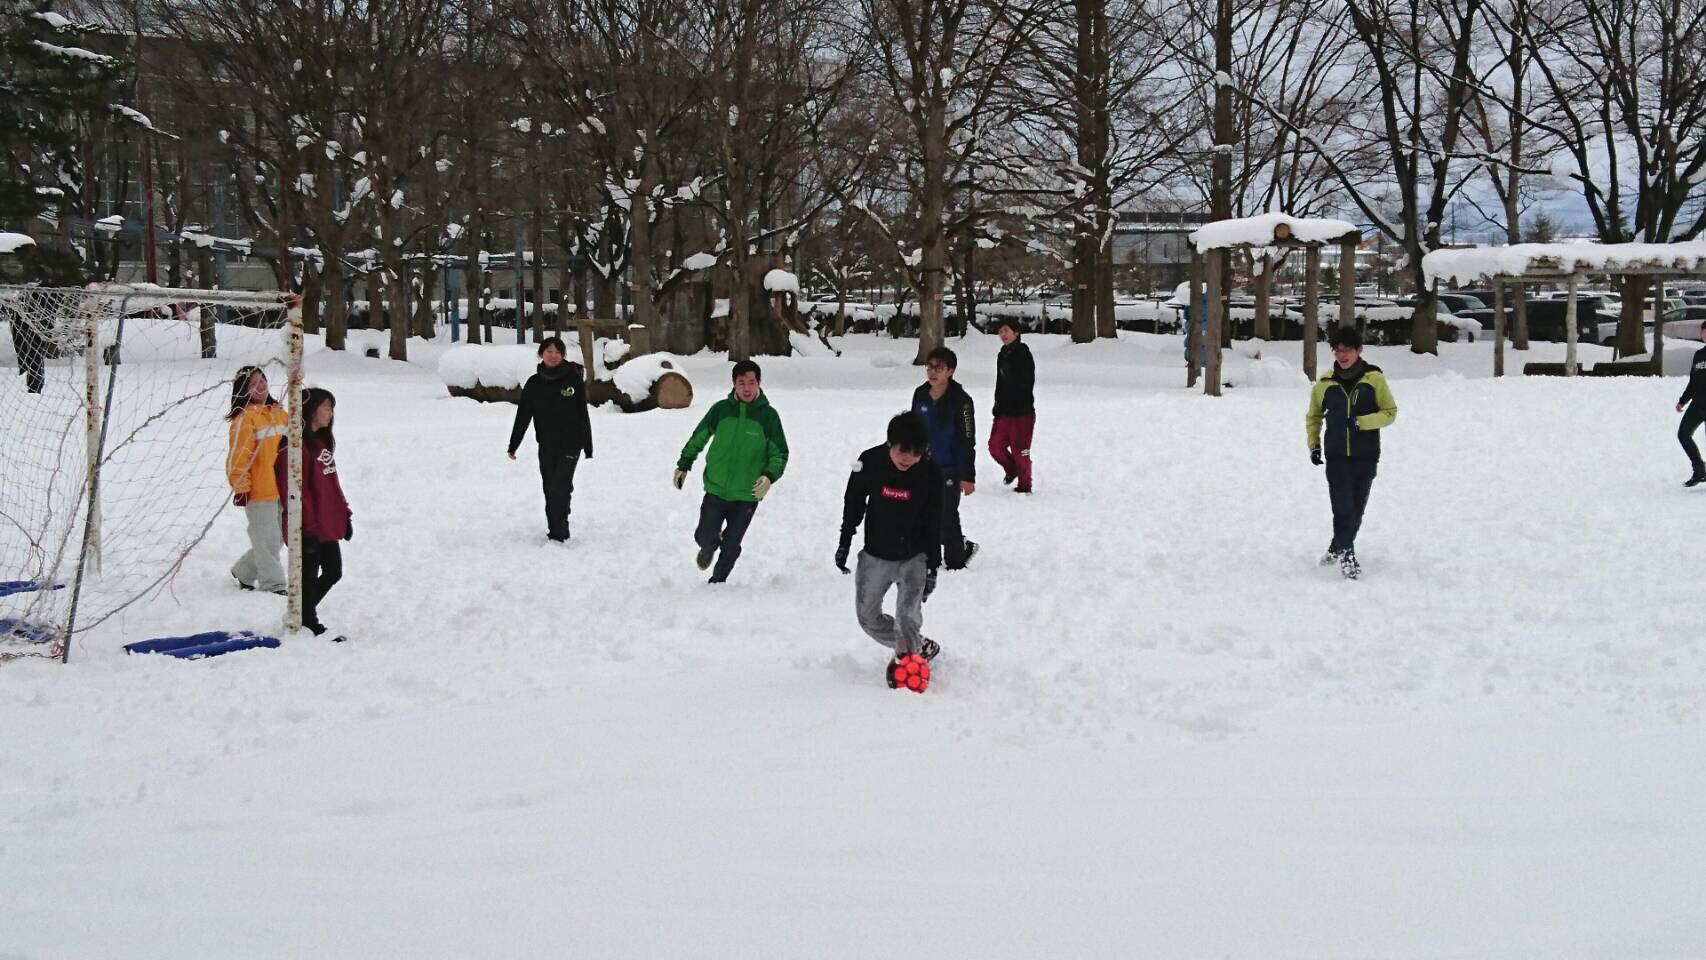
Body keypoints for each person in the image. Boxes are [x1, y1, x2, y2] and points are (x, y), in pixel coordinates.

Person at [837, 412, 943, 686]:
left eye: (915, 453)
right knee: (868, 619)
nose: (907, 458)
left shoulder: (930, 473)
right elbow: (853, 503)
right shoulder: (870, 463)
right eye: (901, 450)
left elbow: (934, 521)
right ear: (889, 443)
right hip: (875, 556)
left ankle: (905, 662)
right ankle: (918, 646)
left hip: (914, 558)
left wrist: (932, 566)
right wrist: (845, 541)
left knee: (907, 618)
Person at [673, 360, 790, 583]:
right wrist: (684, 464)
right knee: (704, 536)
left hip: (747, 495)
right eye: (741, 383)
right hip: (716, 489)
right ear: (734, 384)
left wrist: (769, 476)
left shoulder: (769, 417)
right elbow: (699, 437)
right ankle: (708, 548)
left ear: (759, 383)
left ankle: (718, 582)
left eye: (751, 383)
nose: (747, 388)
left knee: (732, 543)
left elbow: (780, 453)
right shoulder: (721, 410)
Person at [1306, 326, 1397, 579]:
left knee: (1356, 510)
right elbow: (1313, 416)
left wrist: (1360, 422)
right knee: (1342, 508)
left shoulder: (1374, 379)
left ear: (1359, 350)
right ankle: (1348, 557)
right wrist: (1314, 444)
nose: (1342, 356)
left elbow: (1390, 413)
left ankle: (1337, 545)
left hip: (1366, 455)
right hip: (1336, 455)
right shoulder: (1325, 383)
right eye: (1337, 351)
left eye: (1347, 350)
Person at [274, 387, 352, 641]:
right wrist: (305, 529)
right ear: (310, 409)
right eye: (326, 407)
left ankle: (301, 613)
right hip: (307, 526)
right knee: (307, 577)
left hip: (327, 523)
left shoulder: (323, 442)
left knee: (333, 571)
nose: (330, 413)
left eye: (332, 408)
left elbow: (332, 484)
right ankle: (307, 621)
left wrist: (345, 515)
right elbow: (295, 491)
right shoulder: (293, 447)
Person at [508, 337, 593, 542]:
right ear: (541, 355)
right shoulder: (534, 383)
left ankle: (559, 533)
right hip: (546, 444)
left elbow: (582, 412)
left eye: (557, 352)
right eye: (549, 352)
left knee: (560, 487)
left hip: (571, 443)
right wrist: (514, 444)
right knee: (550, 487)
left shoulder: (573, 380)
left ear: (563, 355)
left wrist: (588, 445)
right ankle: (556, 522)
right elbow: (523, 415)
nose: (553, 356)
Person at [910, 346, 978, 570]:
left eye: (938, 368)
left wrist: (967, 475)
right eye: (929, 367)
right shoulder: (920, 394)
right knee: (924, 513)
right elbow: (912, 430)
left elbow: (967, 439)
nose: (932, 372)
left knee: (947, 514)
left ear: (950, 371)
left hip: (950, 468)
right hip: (923, 466)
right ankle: (931, 557)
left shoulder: (961, 400)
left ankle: (957, 559)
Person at [225, 365, 288, 595]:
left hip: (283, 487)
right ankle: (274, 585)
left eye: (263, 381)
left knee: (278, 537)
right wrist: (241, 487)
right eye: (253, 384)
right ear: (243, 390)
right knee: (267, 539)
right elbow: (237, 457)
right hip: (259, 491)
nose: (260, 386)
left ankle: (244, 571)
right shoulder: (245, 419)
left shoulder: (279, 413)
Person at [988, 317, 1036, 493]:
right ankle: (1011, 469)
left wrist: (1018, 400)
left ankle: (1024, 486)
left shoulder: (1023, 354)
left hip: (1022, 413)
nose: (1003, 335)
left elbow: (1027, 382)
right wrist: (998, 404)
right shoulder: (1002, 354)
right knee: (995, 446)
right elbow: (1000, 382)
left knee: (1020, 452)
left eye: (1006, 330)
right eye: (1000, 332)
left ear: (1016, 332)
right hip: (1004, 412)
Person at [1677, 321, 1706, 487]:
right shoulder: (1699, 355)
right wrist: (1683, 401)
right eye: (1703, 332)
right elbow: (1693, 382)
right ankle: (1699, 469)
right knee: (1683, 434)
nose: (1705, 335)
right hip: (1697, 405)